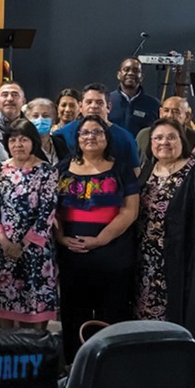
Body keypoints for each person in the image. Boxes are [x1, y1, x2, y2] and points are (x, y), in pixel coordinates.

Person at [55, 114, 140, 360]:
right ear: (77, 138)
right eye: (85, 133)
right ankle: (74, 363)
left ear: (107, 138)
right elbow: (51, 210)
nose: (91, 137)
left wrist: (100, 240)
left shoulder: (121, 169)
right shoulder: (62, 168)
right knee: (73, 312)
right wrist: (61, 238)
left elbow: (130, 211)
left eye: (97, 132)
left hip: (113, 254)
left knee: (111, 311)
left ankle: (110, 364)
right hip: (71, 254)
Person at [135, 119, 195, 343]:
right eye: (158, 138)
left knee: (180, 310)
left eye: (171, 137)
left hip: (183, 254)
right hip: (146, 258)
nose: (164, 142)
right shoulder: (148, 169)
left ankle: (176, 355)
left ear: (181, 141)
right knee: (145, 310)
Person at [0, 119, 58, 329]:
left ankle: (36, 354)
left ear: (33, 141)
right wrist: (3, 241)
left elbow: (48, 211)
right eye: (13, 140)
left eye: (24, 139)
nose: (18, 144)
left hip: (36, 249)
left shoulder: (47, 171)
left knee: (35, 306)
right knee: (5, 303)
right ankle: (8, 354)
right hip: (4, 248)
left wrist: (24, 244)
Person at [54, 83, 141, 173]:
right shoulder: (62, 134)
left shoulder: (125, 138)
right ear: (80, 106)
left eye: (99, 103)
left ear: (108, 107)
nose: (94, 106)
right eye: (89, 102)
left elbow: (135, 171)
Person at [137, 96, 195, 168]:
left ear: (187, 117)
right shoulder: (144, 135)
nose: (169, 115)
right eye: (166, 110)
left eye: (176, 112)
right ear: (160, 113)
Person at [110, 57, 161, 137]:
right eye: (126, 69)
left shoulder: (154, 104)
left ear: (142, 76)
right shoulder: (107, 101)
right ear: (119, 75)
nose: (131, 73)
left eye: (136, 70)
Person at [25, 97, 69, 166]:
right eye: (35, 116)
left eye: (45, 116)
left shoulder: (60, 143)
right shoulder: (26, 147)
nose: (40, 120)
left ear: (53, 120)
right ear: (28, 120)